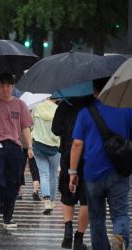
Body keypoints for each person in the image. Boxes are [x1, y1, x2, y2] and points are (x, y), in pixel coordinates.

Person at [69, 78, 132, 250]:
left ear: (94, 90)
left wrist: (72, 172)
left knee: (96, 217)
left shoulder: (85, 113)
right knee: (120, 213)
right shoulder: (127, 110)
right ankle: (120, 237)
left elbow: (77, 144)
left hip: (92, 173)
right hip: (119, 170)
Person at [0, 73, 33, 229]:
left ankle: (8, 216)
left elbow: (25, 127)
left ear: (13, 86)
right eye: (2, 85)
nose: (5, 89)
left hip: (14, 147)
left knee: (13, 182)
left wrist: (30, 146)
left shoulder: (20, 104)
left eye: (8, 86)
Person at [52, 96, 94, 250]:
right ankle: (79, 238)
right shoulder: (93, 104)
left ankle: (67, 234)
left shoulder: (65, 104)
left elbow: (55, 129)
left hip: (68, 153)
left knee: (67, 194)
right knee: (86, 199)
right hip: (90, 156)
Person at [31, 98, 61, 215]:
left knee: (43, 174)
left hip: (39, 145)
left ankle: (47, 200)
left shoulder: (37, 107)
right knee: (53, 175)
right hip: (55, 146)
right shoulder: (58, 110)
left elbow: (31, 125)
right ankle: (52, 201)